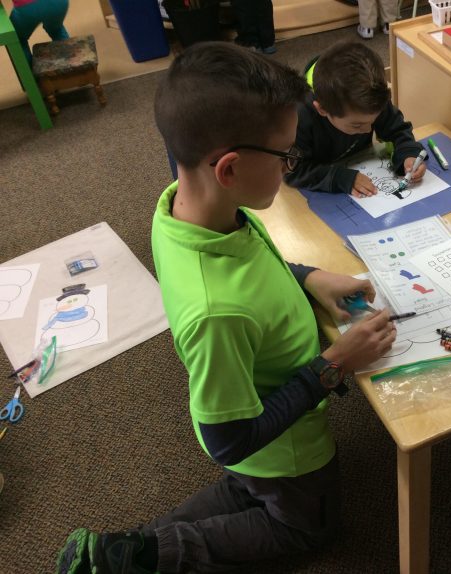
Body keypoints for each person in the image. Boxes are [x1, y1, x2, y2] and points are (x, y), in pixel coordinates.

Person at [55, 41, 397, 574]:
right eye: (286, 157)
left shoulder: (184, 207)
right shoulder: (217, 313)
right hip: (282, 449)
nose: (290, 166)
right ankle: (152, 559)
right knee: (308, 525)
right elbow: (231, 441)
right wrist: (334, 365)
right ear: (230, 169)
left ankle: (128, 549)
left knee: (249, 488)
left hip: (252, 415)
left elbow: (250, 265)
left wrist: (309, 277)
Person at [285, 41, 426, 198]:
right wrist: (339, 178)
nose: (368, 130)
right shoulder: (297, 117)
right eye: (357, 125)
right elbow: (293, 171)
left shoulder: (370, 98)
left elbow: (397, 129)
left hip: (358, 161)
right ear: (322, 110)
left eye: (373, 121)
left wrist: (408, 153)